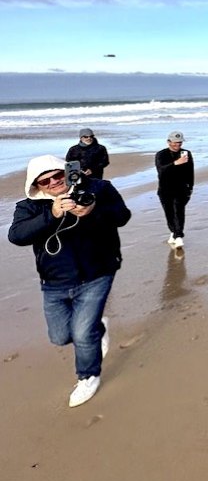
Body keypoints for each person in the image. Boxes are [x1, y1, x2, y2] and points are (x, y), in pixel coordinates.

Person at [8, 155, 131, 407]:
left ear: (66, 171)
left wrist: (92, 210)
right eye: (45, 181)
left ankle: (88, 376)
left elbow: (122, 216)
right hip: (54, 281)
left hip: (97, 273)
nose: (54, 183)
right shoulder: (28, 207)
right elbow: (17, 236)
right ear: (36, 185)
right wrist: (53, 213)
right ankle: (101, 328)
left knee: (83, 333)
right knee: (60, 337)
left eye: (57, 175)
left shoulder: (99, 189)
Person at [155, 131, 194, 248]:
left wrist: (190, 187)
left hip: (181, 189)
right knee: (169, 213)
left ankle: (179, 236)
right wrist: (176, 163)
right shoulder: (161, 155)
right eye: (175, 143)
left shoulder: (186, 153)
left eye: (179, 143)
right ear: (169, 142)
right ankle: (173, 232)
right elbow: (161, 170)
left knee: (179, 211)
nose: (177, 145)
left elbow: (190, 171)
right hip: (165, 189)